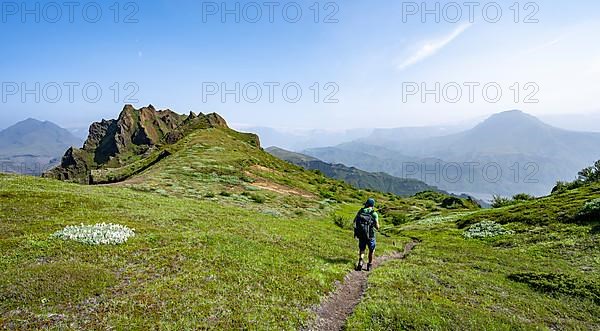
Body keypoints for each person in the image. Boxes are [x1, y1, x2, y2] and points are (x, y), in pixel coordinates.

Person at [353, 198, 380, 271]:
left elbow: (354, 221)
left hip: (361, 234)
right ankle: (369, 265)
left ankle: (360, 261)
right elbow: (377, 227)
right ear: (373, 205)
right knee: (371, 250)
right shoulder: (374, 213)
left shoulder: (361, 211)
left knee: (362, 249)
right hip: (370, 235)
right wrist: (373, 224)